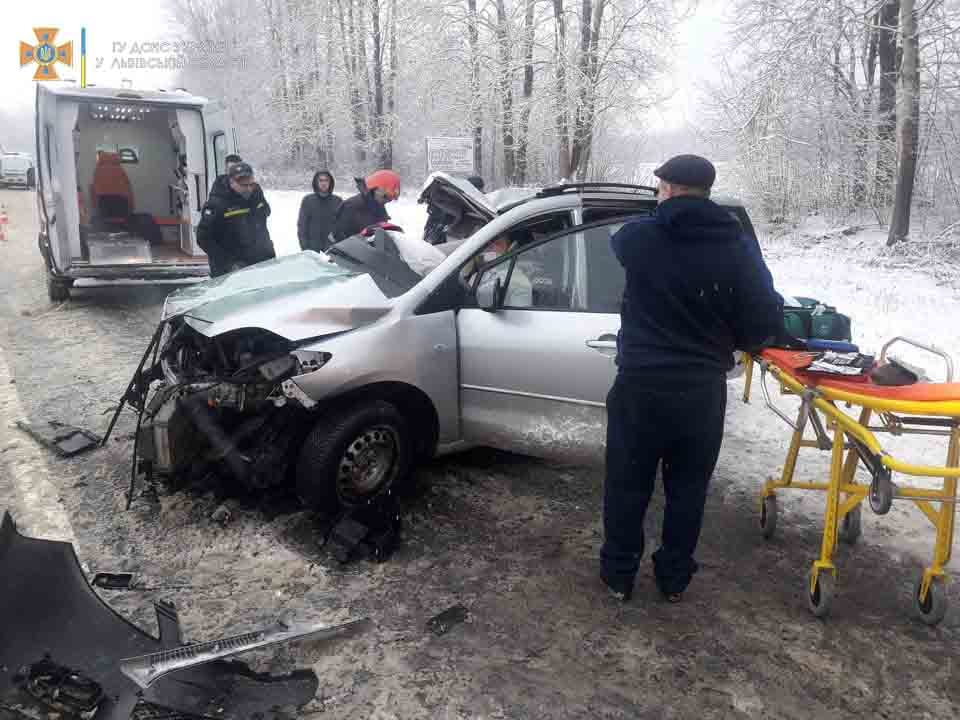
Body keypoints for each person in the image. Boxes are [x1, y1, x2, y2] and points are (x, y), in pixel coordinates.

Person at [601, 154, 783, 604]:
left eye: (659, 188)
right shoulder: (737, 245)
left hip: (641, 387)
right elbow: (763, 318)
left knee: (627, 484)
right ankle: (674, 579)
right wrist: (735, 338)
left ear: (667, 189)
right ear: (707, 191)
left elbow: (620, 242)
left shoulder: (641, 237)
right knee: (687, 490)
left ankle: (619, 575)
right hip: (700, 391)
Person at [196, 162, 276, 277]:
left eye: (251, 184)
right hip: (231, 269)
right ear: (232, 182)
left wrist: (268, 253)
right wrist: (228, 264)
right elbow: (203, 238)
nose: (248, 189)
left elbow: (265, 213)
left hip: (260, 262)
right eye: (243, 185)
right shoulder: (217, 203)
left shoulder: (256, 194)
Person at [333, 169, 400, 241]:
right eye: (385, 197)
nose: (387, 201)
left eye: (390, 199)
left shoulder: (379, 208)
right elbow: (337, 238)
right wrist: (362, 238)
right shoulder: (350, 206)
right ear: (375, 189)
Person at [210, 154, 271, 218]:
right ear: (225, 169)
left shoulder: (254, 187)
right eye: (230, 168)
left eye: (237, 168)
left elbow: (266, 209)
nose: (233, 171)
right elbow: (212, 209)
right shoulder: (219, 185)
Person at [297, 170, 342, 253]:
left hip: (332, 249)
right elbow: (302, 226)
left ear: (330, 182)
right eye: (321, 180)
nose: (323, 183)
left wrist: (337, 245)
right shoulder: (308, 200)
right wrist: (305, 247)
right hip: (312, 249)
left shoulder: (337, 201)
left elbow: (342, 226)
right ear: (316, 182)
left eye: (326, 180)